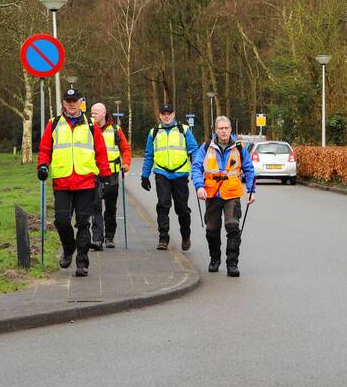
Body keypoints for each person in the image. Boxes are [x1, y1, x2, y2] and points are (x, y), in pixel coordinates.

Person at [37, 87, 114, 277]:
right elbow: (45, 149)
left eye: (75, 101)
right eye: (68, 102)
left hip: (85, 182)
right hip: (62, 181)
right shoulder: (53, 124)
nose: (72, 105)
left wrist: (105, 176)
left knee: (82, 223)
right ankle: (69, 248)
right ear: (63, 103)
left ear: (81, 102)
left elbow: (101, 152)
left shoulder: (91, 125)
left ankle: (82, 263)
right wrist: (42, 166)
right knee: (61, 221)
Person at [191, 115, 255, 277]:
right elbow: (196, 167)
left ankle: (232, 263)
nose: (224, 131)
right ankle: (215, 259)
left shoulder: (239, 148)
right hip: (211, 193)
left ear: (231, 129)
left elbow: (248, 169)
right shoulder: (206, 147)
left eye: (226, 128)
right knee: (212, 229)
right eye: (221, 128)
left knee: (232, 226)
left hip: (231, 193)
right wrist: (199, 187)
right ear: (215, 130)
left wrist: (251, 190)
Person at [140, 103, 198, 251]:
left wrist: (198, 171)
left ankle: (186, 236)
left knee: (182, 208)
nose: (166, 116)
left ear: (173, 114)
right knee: (163, 205)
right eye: (163, 113)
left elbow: (194, 151)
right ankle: (163, 238)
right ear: (160, 115)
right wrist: (144, 175)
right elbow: (149, 155)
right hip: (162, 173)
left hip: (180, 174)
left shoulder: (184, 130)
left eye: (169, 113)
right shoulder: (154, 132)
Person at [89, 103, 131, 249]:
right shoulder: (88, 129)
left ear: (103, 114)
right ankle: (97, 239)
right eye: (91, 113)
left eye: (95, 113)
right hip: (94, 173)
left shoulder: (115, 130)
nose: (92, 115)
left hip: (112, 174)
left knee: (110, 207)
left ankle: (109, 237)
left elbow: (125, 149)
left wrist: (125, 163)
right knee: (95, 206)